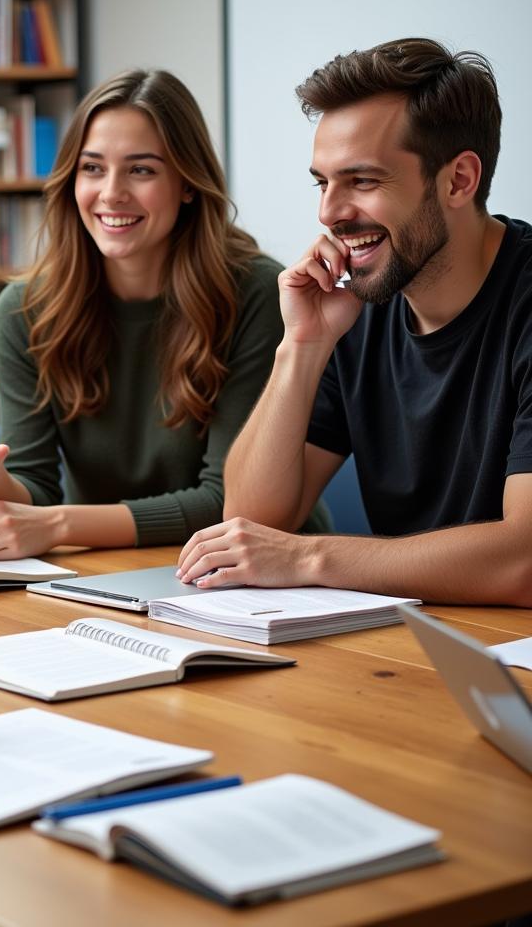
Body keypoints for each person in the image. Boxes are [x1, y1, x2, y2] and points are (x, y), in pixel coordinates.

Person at [178, 38, 532, 608]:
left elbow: (525, 561)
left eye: (362, 181)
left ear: (459, 180)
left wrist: (310, 558)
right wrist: (302, 344)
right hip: (421, 646)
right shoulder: (364, 302)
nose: (329, 212)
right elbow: (248, 524)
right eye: (324, 182)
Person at [0, 69, 329, 559]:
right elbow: (35, 493)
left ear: (186, 183)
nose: (111, 193)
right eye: (92, 168)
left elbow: (231, 506)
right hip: (106, 571)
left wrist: (56, 524)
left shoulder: (257, 292)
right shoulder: (26, 309)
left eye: (141, 170)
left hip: (257, 573)